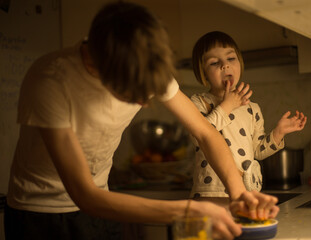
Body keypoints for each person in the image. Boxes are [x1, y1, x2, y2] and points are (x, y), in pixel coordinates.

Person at [4, 2, 279, 240]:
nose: (145, 102)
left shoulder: (145, 65)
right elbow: (82, 194)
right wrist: (189, 210)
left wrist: (239, 194)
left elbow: (206, 133)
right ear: (100, 69)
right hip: (41, 215)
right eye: (133, 93)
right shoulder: (51, 80)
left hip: (105, 204)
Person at [189, 31, 307, 201]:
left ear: (240, 63)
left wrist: (278, 133)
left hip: (246, 192)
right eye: (214, 62)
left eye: (231, 59)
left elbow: (257, 151)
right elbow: (198, 136)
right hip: (211, 192)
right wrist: (227, 106)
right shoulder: (198, 102)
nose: (225, 65)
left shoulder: (252, 108)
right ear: (203, 73)